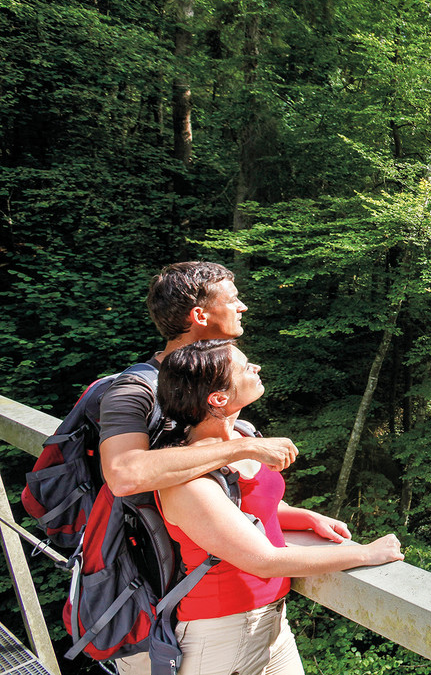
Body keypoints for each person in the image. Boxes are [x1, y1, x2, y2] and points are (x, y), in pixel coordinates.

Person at [154, 339, 403, 675]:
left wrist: (306, 517)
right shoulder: (187, 482)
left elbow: (251, 507)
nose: (256, 367)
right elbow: (263, 561)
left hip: (272, 622)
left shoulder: (242, 438)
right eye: (245, 367)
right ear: (218, 398)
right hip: (220, 634)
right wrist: (366, 554)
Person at [98, 261, 299, 497]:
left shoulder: (215, 375)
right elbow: (123, 475)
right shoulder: (135, 390)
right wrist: (244, 447)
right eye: (232, 300)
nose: (242, 307)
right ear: (200, 316)